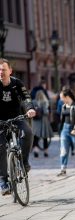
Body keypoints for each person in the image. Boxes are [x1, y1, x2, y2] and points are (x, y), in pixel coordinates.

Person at [0, 58, 36, 196]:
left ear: (10, 71)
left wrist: (30, 109)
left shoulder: (17, 84)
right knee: (1, 148)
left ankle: (24, 163)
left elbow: (26, 98)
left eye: (3, 69)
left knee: (28, 132)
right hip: (0, 121)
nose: (1, 72)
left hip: (16, 118)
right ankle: (3, 181)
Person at [32, 90, 54, 157]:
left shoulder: (33, 102)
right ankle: (45, 152)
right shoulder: (45, 102)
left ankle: (35, 150)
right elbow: (45, 112)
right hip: (43, 121)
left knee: (35, 137)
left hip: (35, 122)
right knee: (45, 137)